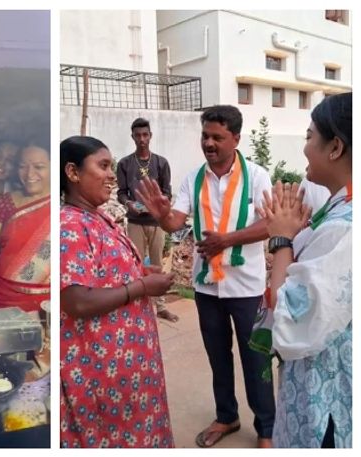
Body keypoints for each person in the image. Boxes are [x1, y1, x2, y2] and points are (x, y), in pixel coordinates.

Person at [136, 105, 275, 448]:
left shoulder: (256, 175)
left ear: (236, 139)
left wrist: (226, 240)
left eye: (217, 137)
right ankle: (227, 416)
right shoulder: (193, 178)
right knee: (217, 355)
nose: (209, 143)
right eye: (205, 136)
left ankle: (267, 428)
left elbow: (270, 224)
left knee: (255, 358)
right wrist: (162, 215)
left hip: (247, 286)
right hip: (207, 286)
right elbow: (175, 222)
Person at [59, 135, 175, 448]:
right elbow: (76, 300)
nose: (112, 174)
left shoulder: (96, 217)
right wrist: (141, 287)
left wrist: (139, 272)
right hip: (102, 374)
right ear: (72, 172)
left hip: (127, 372)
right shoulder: (69, 225)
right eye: (104, 166)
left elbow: (104, 275)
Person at [259, 93, 352, 448]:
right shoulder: (337, 208)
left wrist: (281, 240)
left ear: (335, 147)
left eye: (310, 136)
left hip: (326, 400)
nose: (305, 147)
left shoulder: (344, 227)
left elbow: (290, 317)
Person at [0, 143, 51, 312]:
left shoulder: (62, 209)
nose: (29, 174)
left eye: (39, 167)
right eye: (22, 166)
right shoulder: (7, 202)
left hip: (47, 305)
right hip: (2, 299)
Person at [117, 117, 178, 322]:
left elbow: (168, 192)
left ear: (150, 136)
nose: (142, 139)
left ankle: (160, 306)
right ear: (132, 137)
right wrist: (129, 204)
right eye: (138, 135)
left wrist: (159, 203)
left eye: (145, 135)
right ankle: (139, 306)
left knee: (157, 262)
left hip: (156, 222)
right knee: (135, 264)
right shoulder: (125, 163)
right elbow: (121, 192)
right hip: (135, 221)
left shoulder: (161, 163)